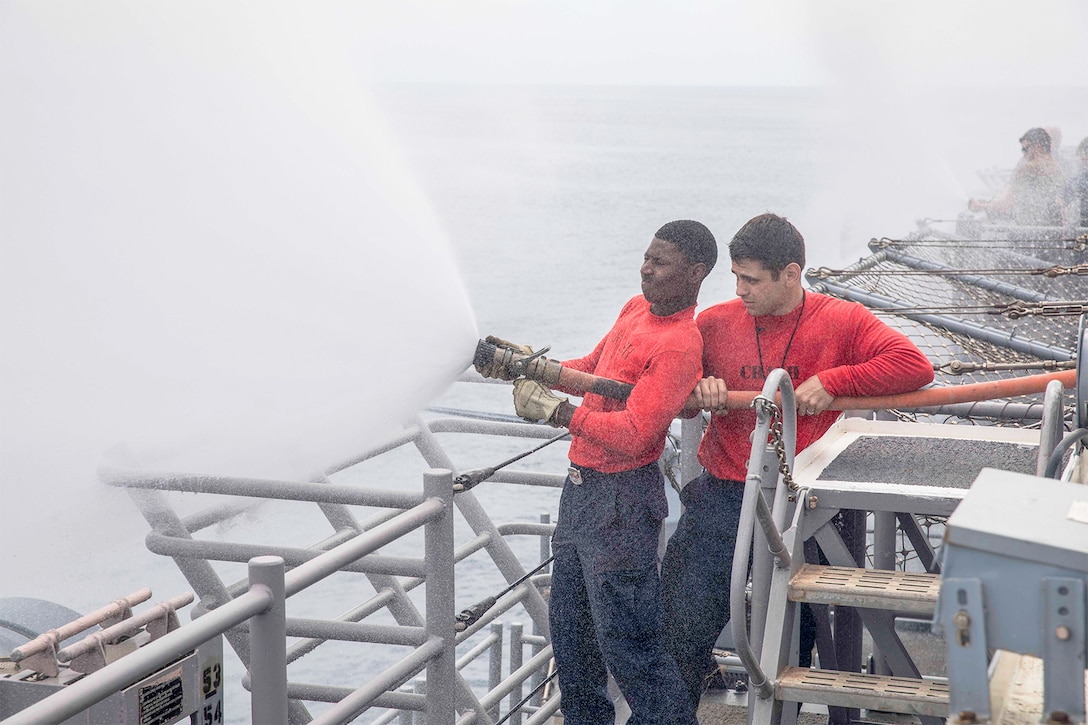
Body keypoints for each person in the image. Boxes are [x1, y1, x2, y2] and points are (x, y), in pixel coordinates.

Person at [660, 213, 934, 708]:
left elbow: (914, 366)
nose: (739, 290)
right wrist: (699, 391)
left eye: (751, 279)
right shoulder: (714, 324)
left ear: (791, 274)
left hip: (810, 502)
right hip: (725, 493)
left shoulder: (842, 319)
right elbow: (673, 395)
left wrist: (835, 382)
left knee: (801, 636)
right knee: (679, 621)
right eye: (736, 278)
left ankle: (805, 712)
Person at [478, 220, 718, 724]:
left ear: (695, 273)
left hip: (622, 504)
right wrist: (532, 367)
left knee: (631, 649)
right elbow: (597, 369)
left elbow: (636, 432)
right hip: (582, 493)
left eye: (660, 263)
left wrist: (557, 412)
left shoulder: (679, 344)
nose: (645, 269)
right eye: (646, 257)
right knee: (573, 641)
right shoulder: (635, 309)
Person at [968, 127, 1065, 226]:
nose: (1023, 153)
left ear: (1038, 147)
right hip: (1053, 228)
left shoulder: (1029, 168)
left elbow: (1006, 205)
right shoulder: (1058, 170)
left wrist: (980, 206)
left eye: (1025, 149)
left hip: (1026, 231)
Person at [1055, 136, 1088, 228]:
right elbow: (1066, 191)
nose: (1084, 163)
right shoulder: (1083, 177)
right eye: (1083, 161)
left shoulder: (1083, 180)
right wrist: (1060, 198)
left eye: (1085, 160)